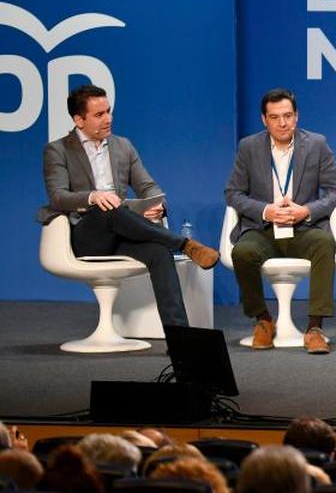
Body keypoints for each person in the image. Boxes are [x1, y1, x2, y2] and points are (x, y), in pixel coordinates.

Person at [38, 84, 219, 328]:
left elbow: (149, 187)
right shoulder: (58, 150)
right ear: (79, 120)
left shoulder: (123, 146)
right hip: (86, 236)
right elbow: (57, 197)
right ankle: (183, 244)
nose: (108, 119)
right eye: (99, 115)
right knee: (109, 207)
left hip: (123, 233)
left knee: (158, 253)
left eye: (109, 111)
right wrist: (93, 196)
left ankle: (180, 337)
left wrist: (157, 205)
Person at [225, 88, 336, 354]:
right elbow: (232, 193)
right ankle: (263, 320)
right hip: (263, 229)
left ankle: (315, 327)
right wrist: (266, 210)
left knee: (324, 244)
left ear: (297, 116)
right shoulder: (248, 147)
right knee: (242, 252)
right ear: (264, 120)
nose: (282, 123)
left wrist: (306, 210)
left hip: (303, 228)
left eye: (288, 116)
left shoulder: (316, 144)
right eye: (275, 117)